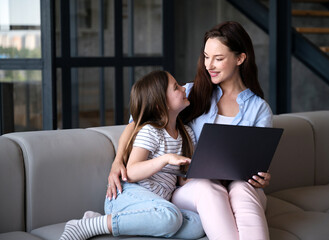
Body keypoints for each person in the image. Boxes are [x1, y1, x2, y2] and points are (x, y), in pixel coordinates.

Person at [107, 21, 273, 240]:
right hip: (194, 188)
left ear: (240, 58)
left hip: (241, 187)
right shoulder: (191, 93)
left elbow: (258, 163)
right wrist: (118, 161)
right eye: (206, 56)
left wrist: (261, 177)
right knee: (207, 187)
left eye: (218, 58)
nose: (209, 65)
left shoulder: (259, 109)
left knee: (241, 190)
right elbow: (139, 119)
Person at [59, 70, 204, 240]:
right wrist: (165, 159)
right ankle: (88, 225)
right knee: (170, 215)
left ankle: (120, 222)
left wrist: (205, 172)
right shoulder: (151, 131)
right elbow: (132, 172)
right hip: (127, 195)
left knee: (197, 225)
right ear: (161, 105)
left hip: (156, 204)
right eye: (176, 87)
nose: (184, 88)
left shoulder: (186, 134)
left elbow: (182, 180)